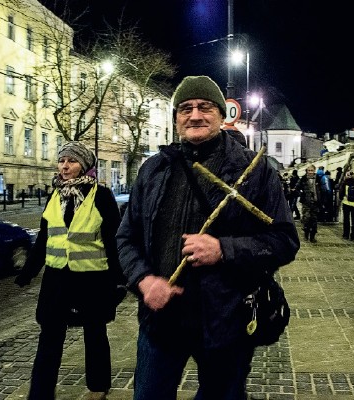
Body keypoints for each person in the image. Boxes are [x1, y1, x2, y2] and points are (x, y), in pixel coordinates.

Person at [116, 75, 300, 400]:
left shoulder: (254, 170)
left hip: (226, 323)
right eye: (185, 108)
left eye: (205, 107)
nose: (195, 115)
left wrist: (224, 250)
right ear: (176, 119)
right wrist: (144, 281)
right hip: (161, 321)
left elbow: (284, 240)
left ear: (221, 114)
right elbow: (125, 238)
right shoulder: (154, 170)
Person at [14, 141, 126, 400]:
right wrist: (29, 272)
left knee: (95, 333)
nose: (65, 166)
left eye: (72, 161)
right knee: (50, 335)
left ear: (85, 166)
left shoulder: (101, 195)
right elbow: (44, 237)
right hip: (56, 279)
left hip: (92, 279)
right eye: (62, 160)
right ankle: (40, 392)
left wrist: (119, 280)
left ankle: (98, 387)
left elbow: (113, 240)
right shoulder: (55, 194)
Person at [294, 165, 321, 242]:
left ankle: (312, 236)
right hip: (306, 203)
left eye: (311, 170)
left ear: (314, 170)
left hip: (315, 202)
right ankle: (306, 234)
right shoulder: (303, 179)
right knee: (306, 218)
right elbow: (296, 188)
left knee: (314, 220)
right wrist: (302, 194)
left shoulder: (318, 179)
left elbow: (322, 189)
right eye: (309, 170)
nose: (310, 172)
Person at [339, 171, 354, 241]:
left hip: (346, 204)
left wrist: (342, 198)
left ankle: (346, 235)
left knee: (346, 220)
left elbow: (340, 195)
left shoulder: (345, 184)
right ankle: (353, 237)